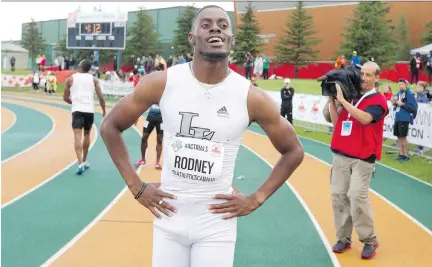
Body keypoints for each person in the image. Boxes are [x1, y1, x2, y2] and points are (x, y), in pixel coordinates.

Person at [100, 5, 304, 267]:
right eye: (206, 24)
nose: (215, 28)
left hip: (216, 223)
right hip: (169, 218)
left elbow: (294, 150)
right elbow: (110, 126)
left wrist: (257, 199)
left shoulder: (251, 97)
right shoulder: (162, 82)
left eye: (223, 24)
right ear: (191, 36)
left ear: (231, 38)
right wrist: (136, 187)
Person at [328, 61, 389, 259]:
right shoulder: (351, 95)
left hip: (363, 158)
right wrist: (332, 100)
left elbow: (364, 119)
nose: (363, 77)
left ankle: (369, 240)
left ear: (377, 78)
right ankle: (343, 238)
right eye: (362, 73)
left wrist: (343, 101)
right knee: (338, 196)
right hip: (340, 154)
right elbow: (339, 124)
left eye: (369, 75)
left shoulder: (378, 101)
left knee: (357, 196)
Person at [63, 59, 107, 175]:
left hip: (77, 110)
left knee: (77, 135)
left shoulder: (70, 79)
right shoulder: (94, 80)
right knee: (87, 135)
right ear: (89, 69)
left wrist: (75, 103)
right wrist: (104, 111)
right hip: (89, 110)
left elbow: (65, 97)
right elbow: (101, 97)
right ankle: (85, 160)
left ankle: (80, 163)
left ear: (80, 66)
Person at [391, 79, 417, 162]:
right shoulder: (399, 93)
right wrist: (394, 101)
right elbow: (395, 102)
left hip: (404, 117)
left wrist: (402, 104)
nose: (400, 86)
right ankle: (401, 154)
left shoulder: (409, 93)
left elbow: (413, 107)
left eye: (402, 84)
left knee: (403, 137)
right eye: (399, 84)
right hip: (397, 117)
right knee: (398, 136)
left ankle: (406, 155)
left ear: (406, 85)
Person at [135, 104, 164, 170]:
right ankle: (143, 160)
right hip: (150, 117)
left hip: (161, 119)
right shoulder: (152, 94)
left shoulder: (165, 95)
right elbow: (143, 105)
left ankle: (157, 163)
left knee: (159, 140)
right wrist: (136, 117)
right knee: (144, 137)